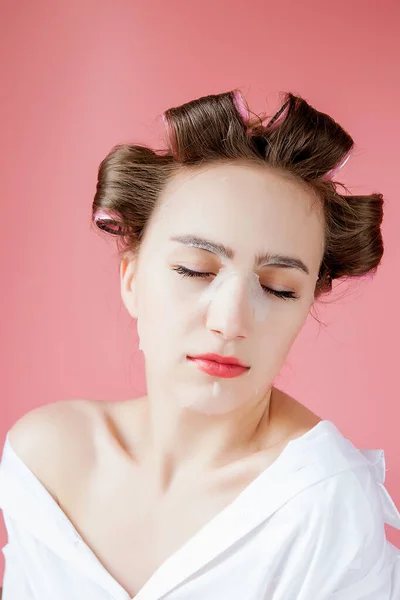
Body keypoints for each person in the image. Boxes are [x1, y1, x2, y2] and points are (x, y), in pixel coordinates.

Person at [0, 89, 399, 600]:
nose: (231, 322)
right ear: (130, 279)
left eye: (279, 288)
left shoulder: (323, 501)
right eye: (195, 269)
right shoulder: (46, 457)